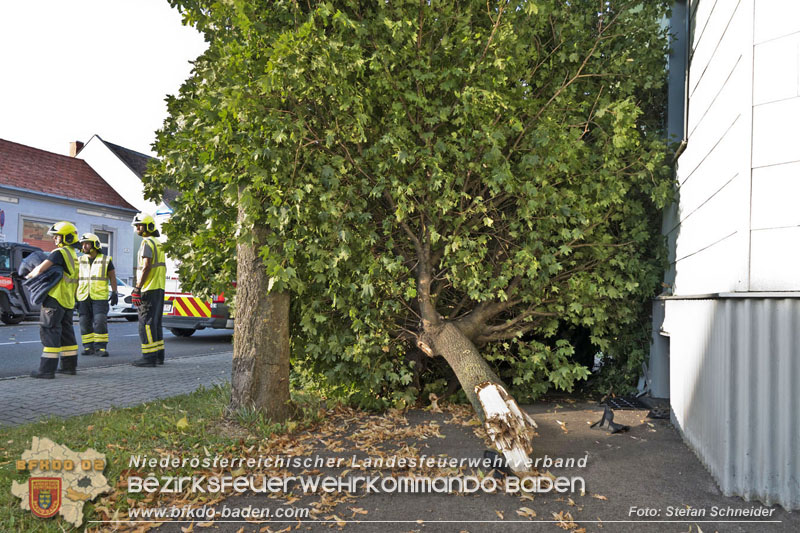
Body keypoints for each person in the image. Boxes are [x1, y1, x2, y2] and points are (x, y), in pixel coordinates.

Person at [26, 221, 80, 379]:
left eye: (57, 236)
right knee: (67, 334)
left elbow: (40, 269)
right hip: (68, 300)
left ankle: (46, 371)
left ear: (67, 238)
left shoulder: (59, 253)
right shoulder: (74, 255)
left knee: (49, 331)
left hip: (55, 299)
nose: (55, 239)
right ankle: (69, 367)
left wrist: (26, 277)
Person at [131, 213, 166, 367]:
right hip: (158, 288)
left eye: (140, 225)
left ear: (148, 227)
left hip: (148, 288)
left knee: (145, 323)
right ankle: (158, 356)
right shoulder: (158, 243)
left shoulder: (147, 243)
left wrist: (137, 288)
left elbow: (146, 266)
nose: (137, 228)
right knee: (156, 323)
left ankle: (148, 357)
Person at [76, 233, 118, 357]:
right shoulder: (79, 260)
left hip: (99, 297)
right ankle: (88, 347)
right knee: (84, 322)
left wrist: (115, 292)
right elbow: (75, 280)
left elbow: (112, 277)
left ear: (95, 245)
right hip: (82, 296)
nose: (84, 246)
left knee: (100, 321)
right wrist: (73, 296)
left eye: (86, 243)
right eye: (82, 244)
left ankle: (100, 347)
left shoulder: (106, 260)